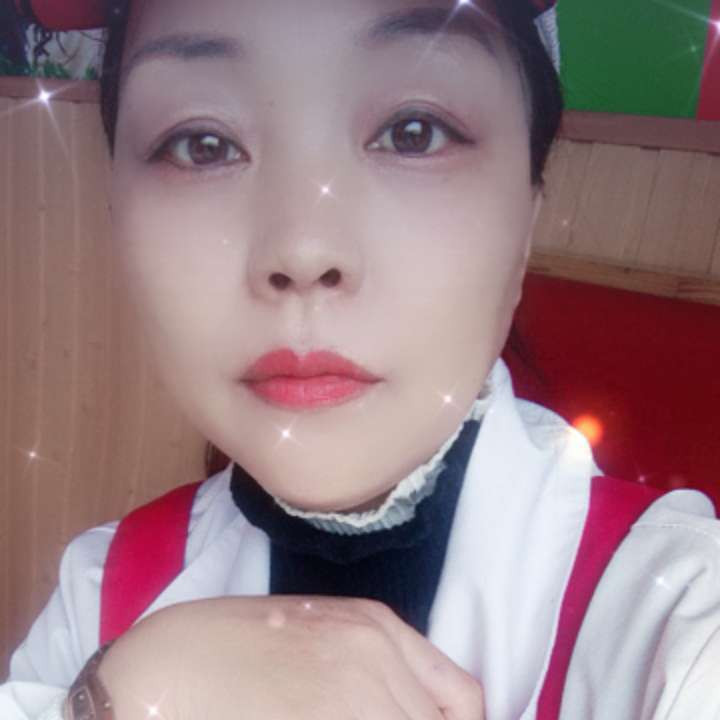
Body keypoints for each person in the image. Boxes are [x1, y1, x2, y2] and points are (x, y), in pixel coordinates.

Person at [2, 0, 719, 718]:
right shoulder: (97, 593)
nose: (302, 250)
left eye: (414, 132)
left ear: (526, 218)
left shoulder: (677, 622)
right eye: (202, 144)